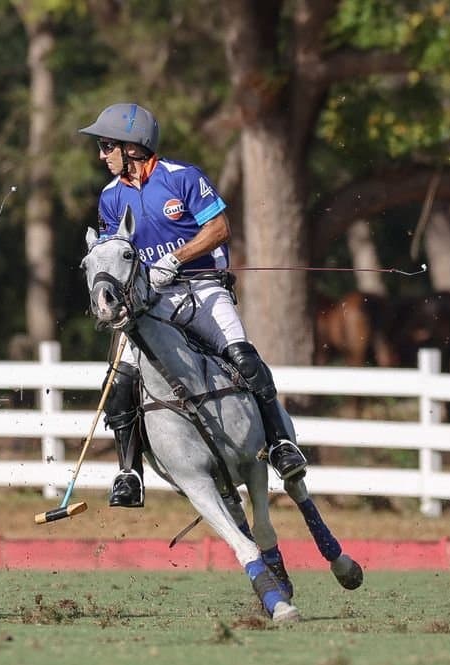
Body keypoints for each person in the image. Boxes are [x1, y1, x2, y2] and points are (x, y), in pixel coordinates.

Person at [78, 103, 307, 508]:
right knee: (120, 383)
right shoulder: (110, 198)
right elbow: (115, 251)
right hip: (150, 304)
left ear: (133, 147)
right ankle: (129, 473)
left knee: (244, 358)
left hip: (202, 289)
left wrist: (174, 259)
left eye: (107, 145)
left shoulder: (183, 178)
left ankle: (280, 444)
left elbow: (219, 228)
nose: (101, 155)